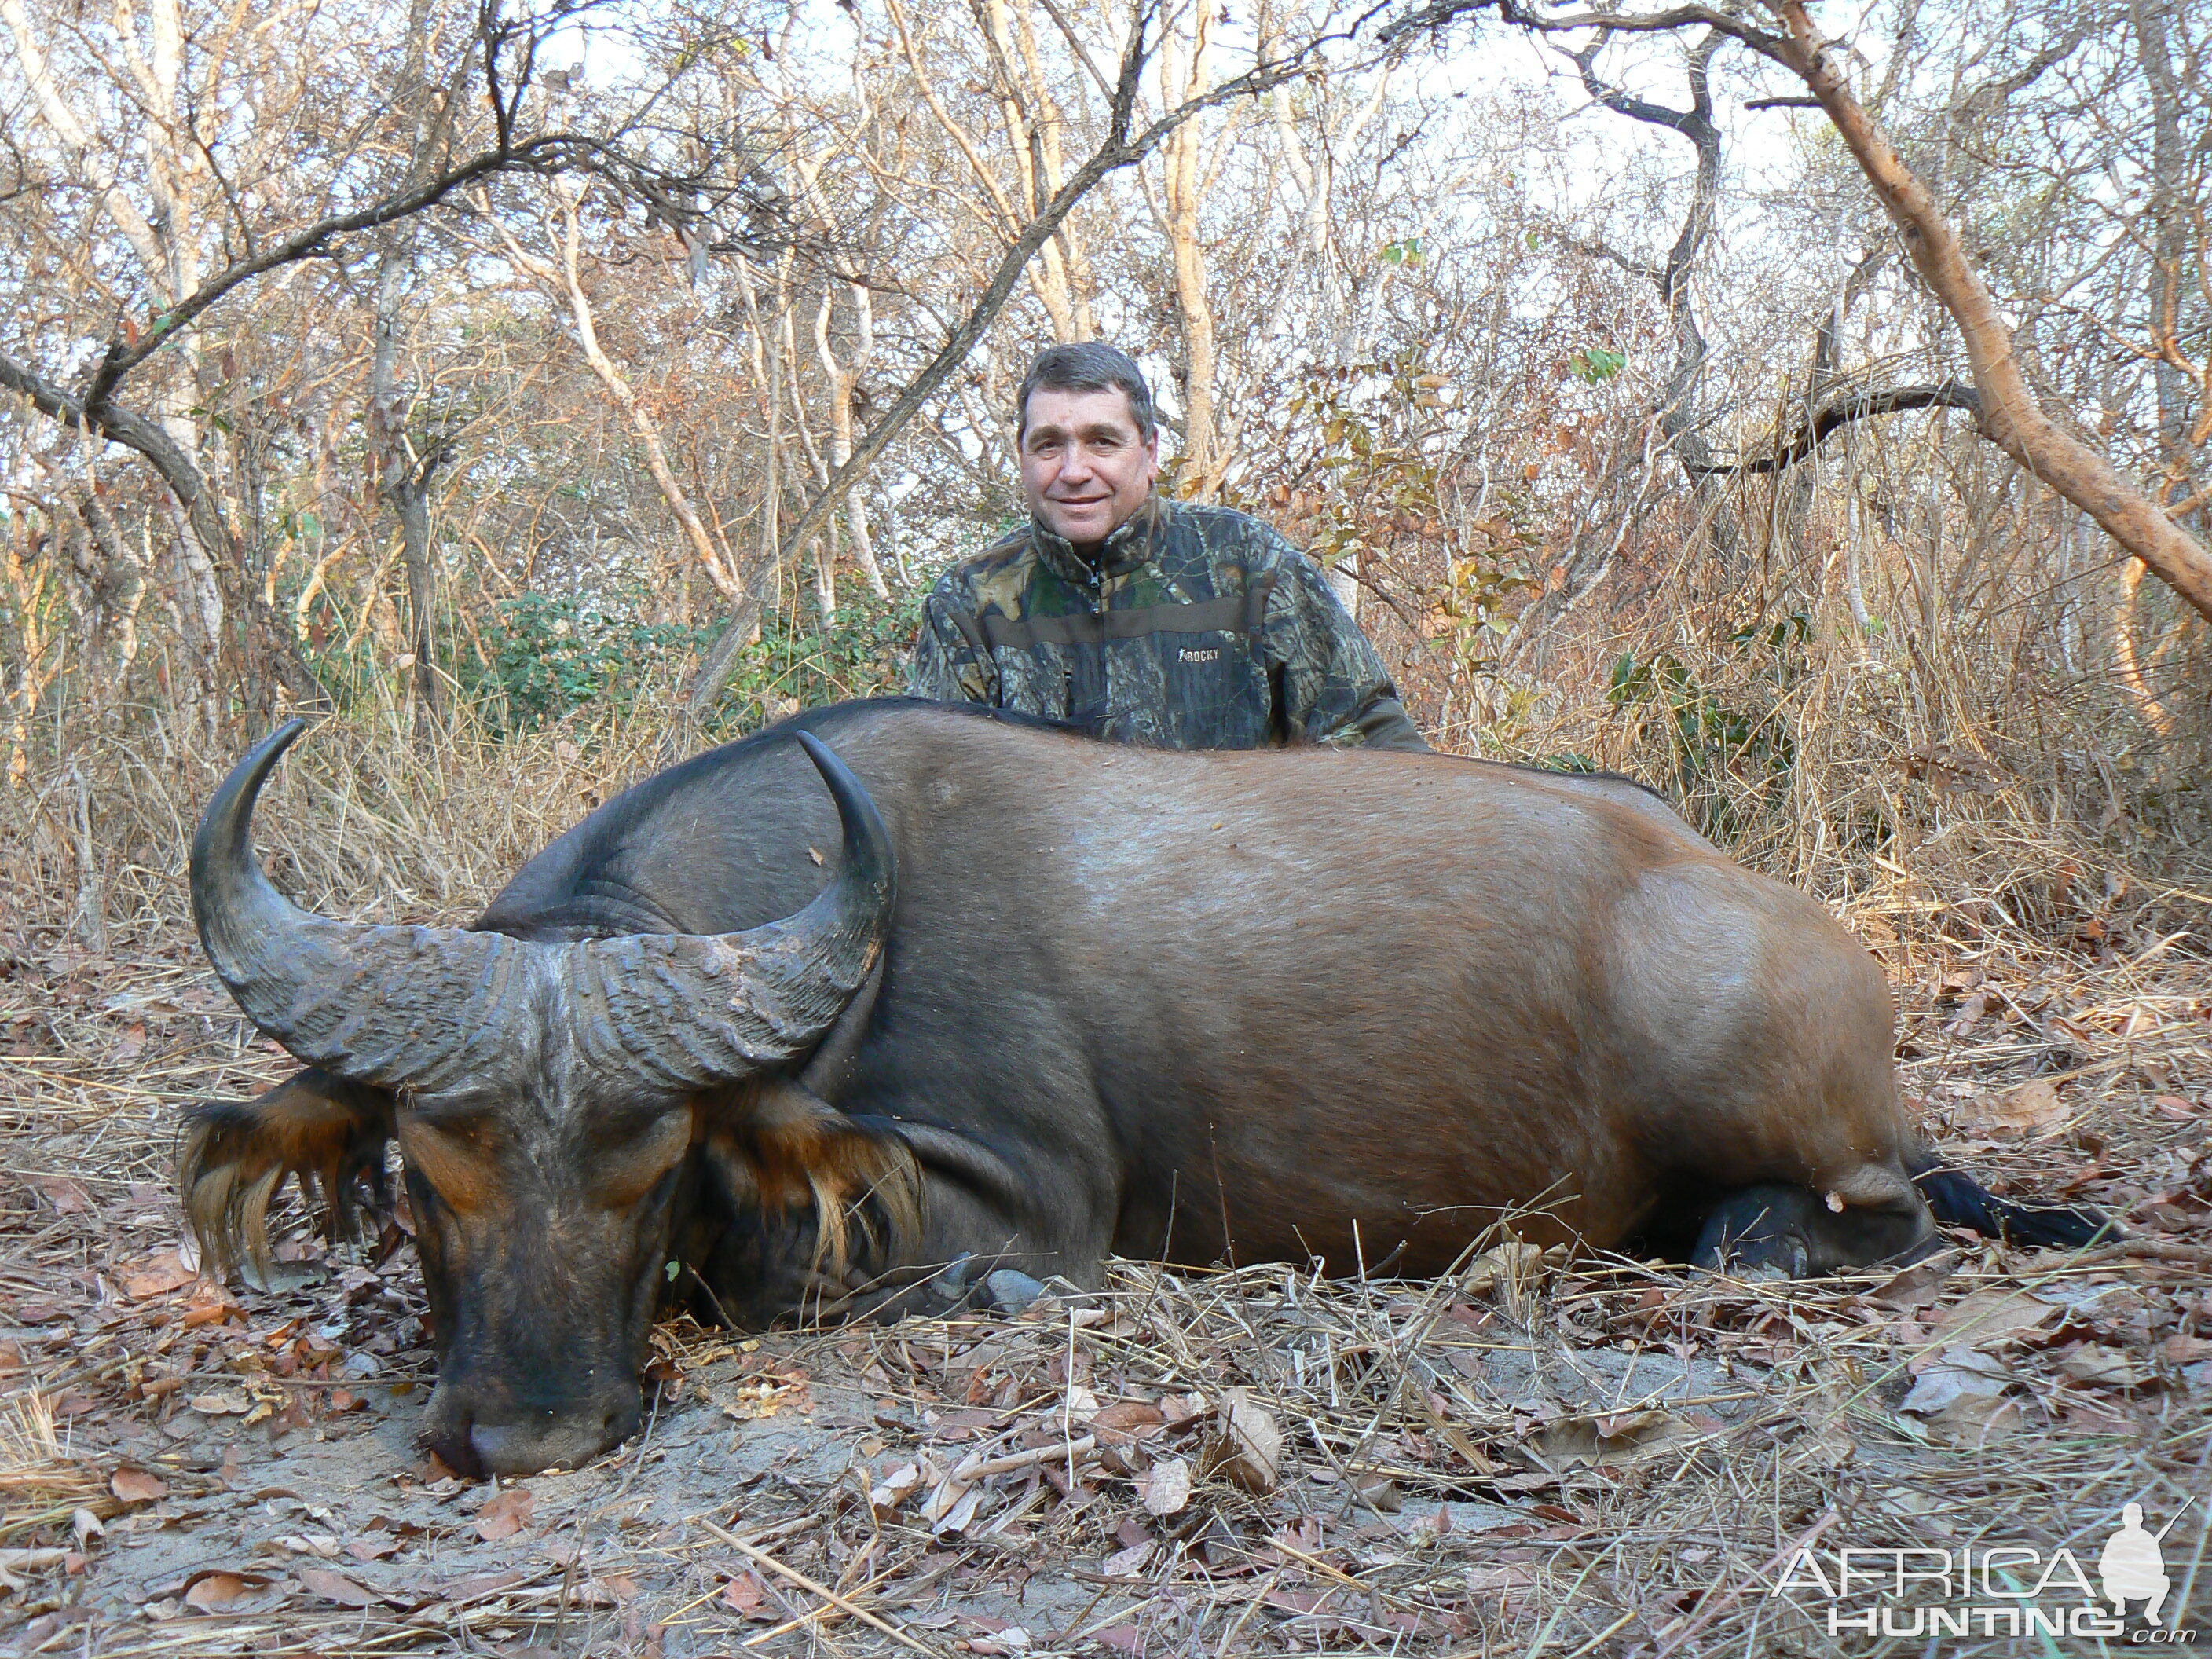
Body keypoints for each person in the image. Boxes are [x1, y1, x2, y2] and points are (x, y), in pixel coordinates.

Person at [906, 342, 1427, 751]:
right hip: (1040, 885)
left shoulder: (1247, 562)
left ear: (1150, 452)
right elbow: (935, 781)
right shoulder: (970, 601)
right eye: (1049, 445)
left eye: (1102, 442)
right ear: (1021, 455)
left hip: (1243, 876)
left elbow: (1367, 732)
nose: (1073, 471)